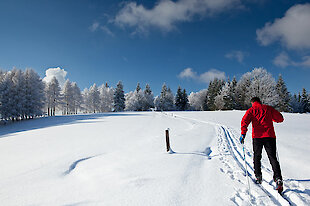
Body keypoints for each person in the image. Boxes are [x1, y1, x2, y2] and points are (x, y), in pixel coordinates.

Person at [240, 97, 284, 192]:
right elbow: (280, 118)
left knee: (257, 156)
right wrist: (274, 118)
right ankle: (278, 178)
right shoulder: (268, 108)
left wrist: (243, 133)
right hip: (270, 136)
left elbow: (245, 121)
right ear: (260, 101)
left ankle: (258, 176)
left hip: (257, 137)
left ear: (252, 102)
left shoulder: (251, 110)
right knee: (272, 157)